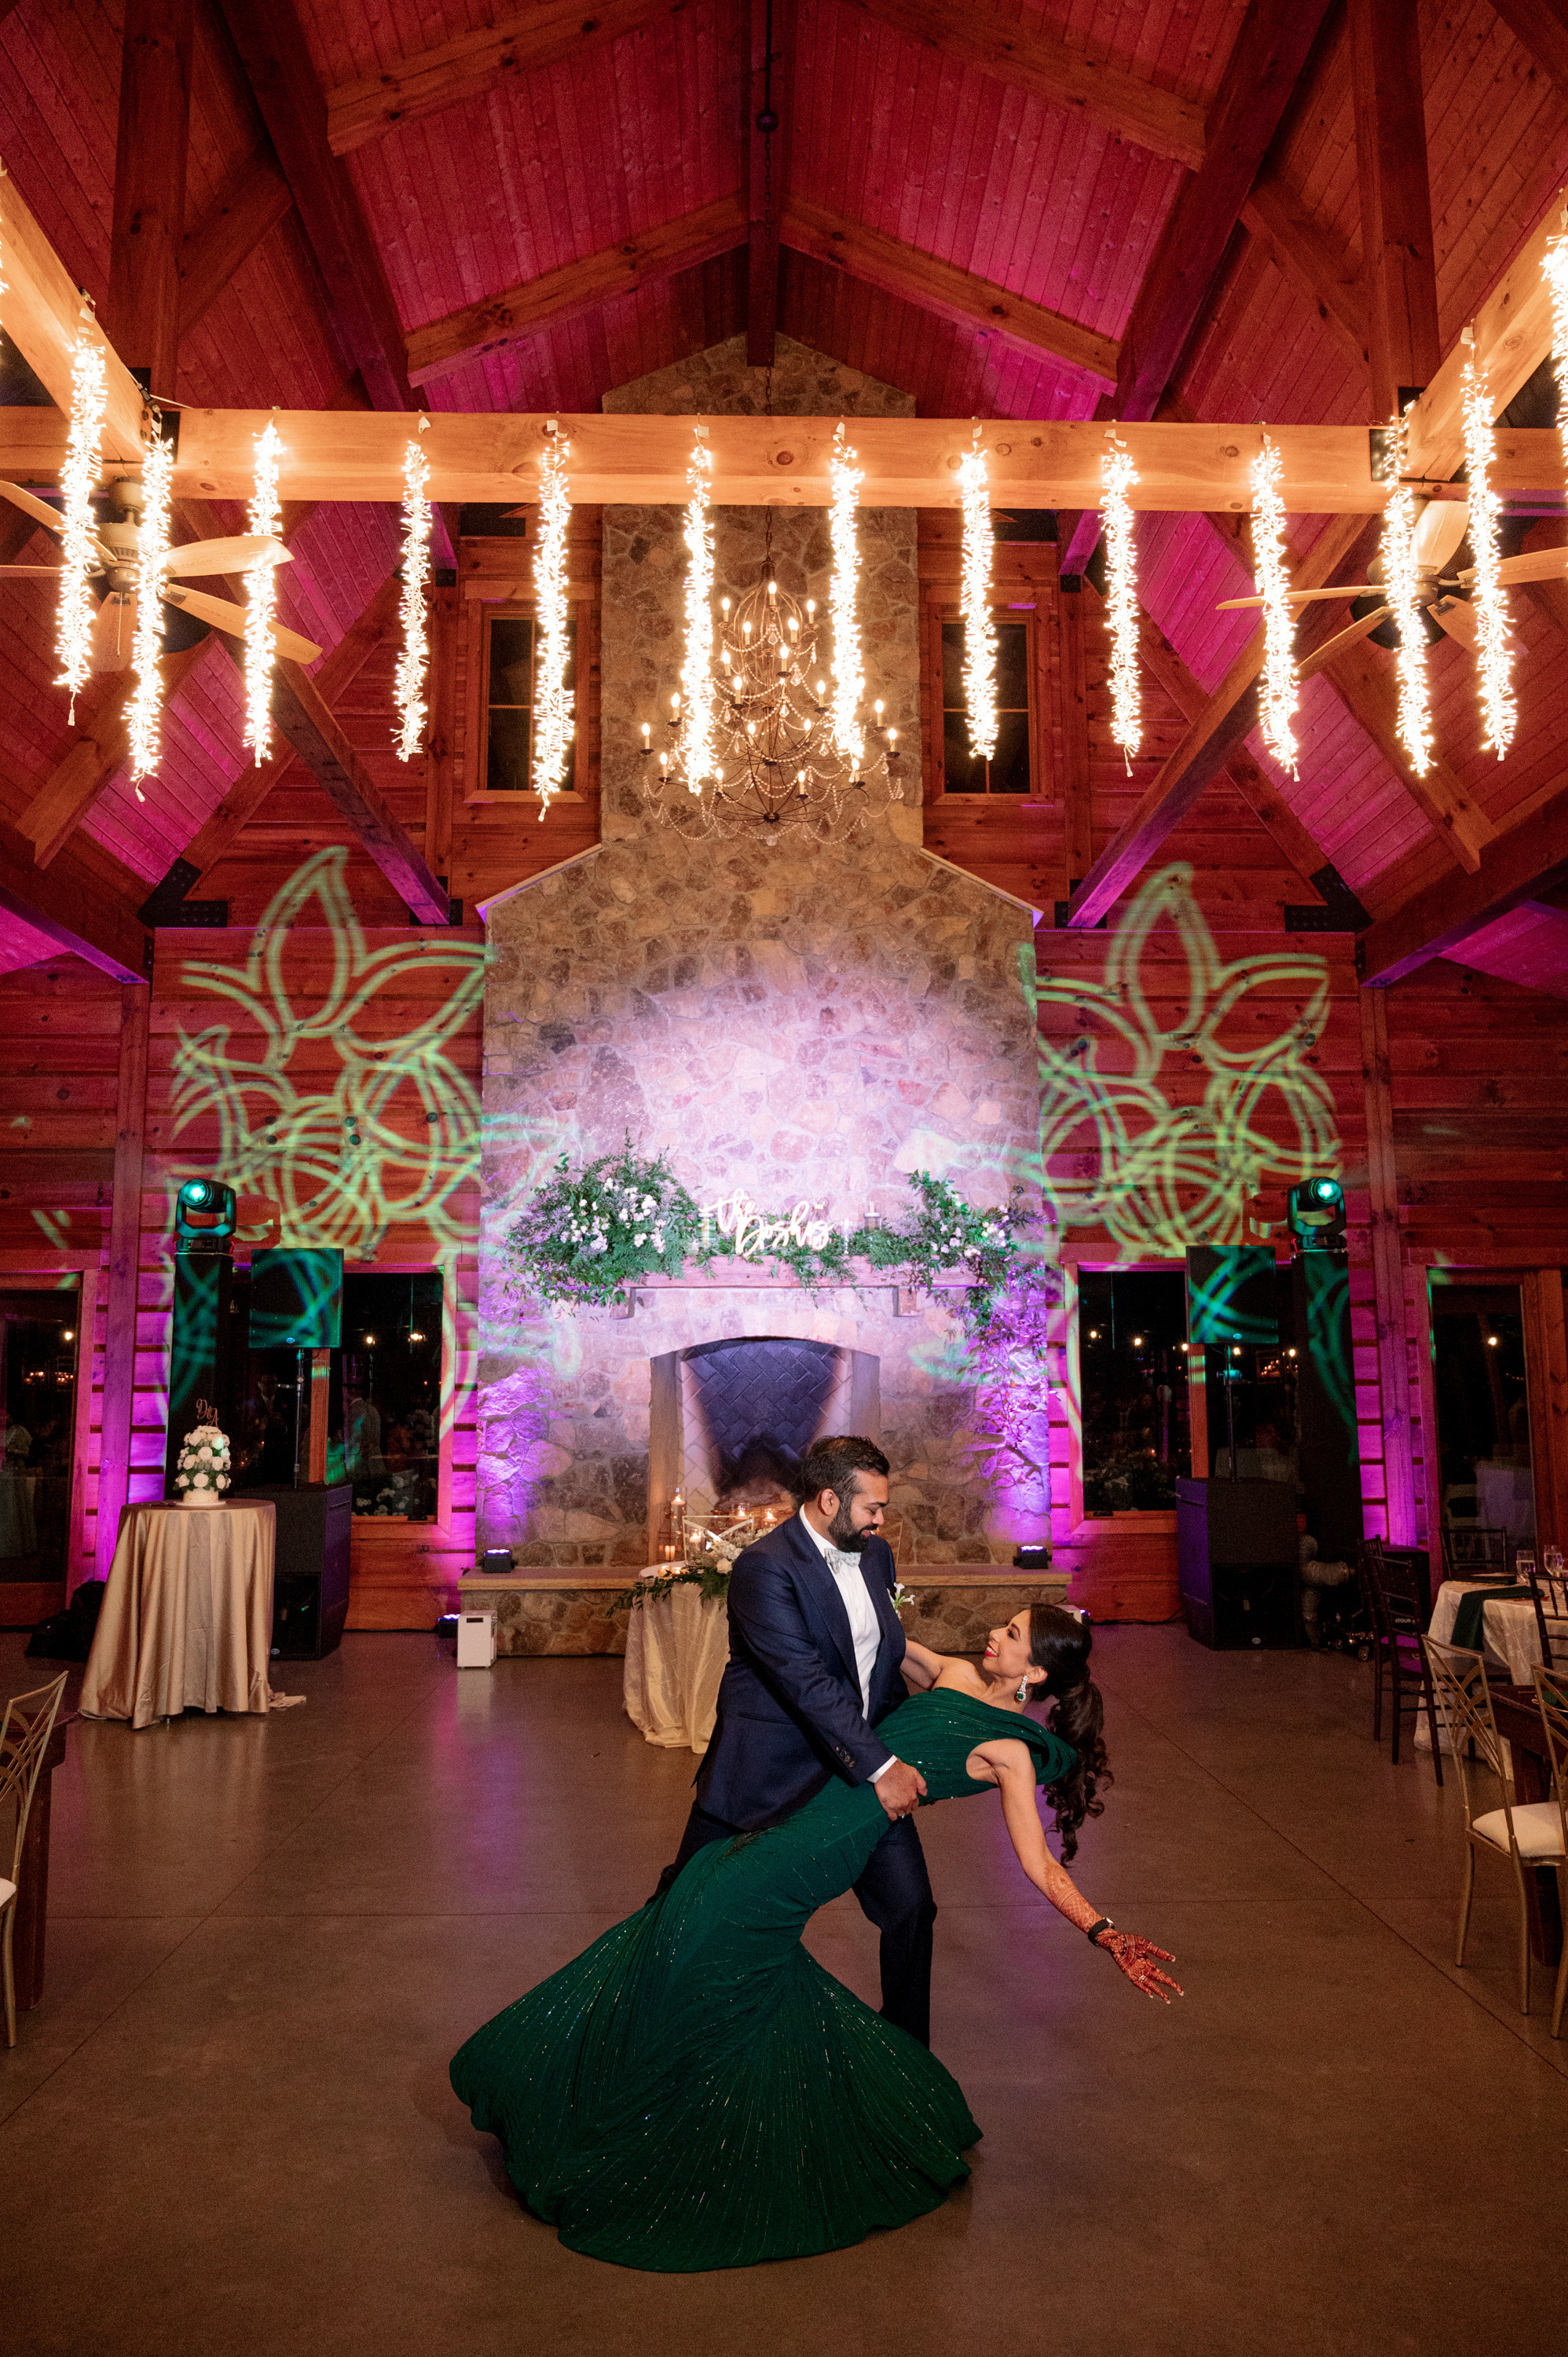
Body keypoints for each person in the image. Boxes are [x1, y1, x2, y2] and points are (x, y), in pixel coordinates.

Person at [449, 1599, 1180, 2272]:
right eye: (1004, 1624)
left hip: (825, 1850)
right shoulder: (953, 1672)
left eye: (1013, 1635)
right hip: (791, 1822)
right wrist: (830, 1579)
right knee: (692, 1923)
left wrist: (1104, 1933)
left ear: (1038, 1673)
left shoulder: (1012, 1754)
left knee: (707, 1934)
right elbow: (873, 1640)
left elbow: (1038, 1862)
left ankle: (654, 2129)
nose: (995, 1633)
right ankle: (619, 2097)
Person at [655, 1434, 936, 2043]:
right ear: (830, 1500)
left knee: (911, 1909)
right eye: (872, 1509)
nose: (881, 1521)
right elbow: (805, 1681)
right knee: (685, 1908)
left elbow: (877, 1661)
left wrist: (929, 1715)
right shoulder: (765, 1569)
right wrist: (883, 1766)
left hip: (858, 1772)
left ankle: (909, 2063)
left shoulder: (877, 1556)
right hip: (769, 1776)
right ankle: (648, 2029)